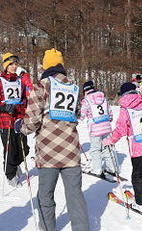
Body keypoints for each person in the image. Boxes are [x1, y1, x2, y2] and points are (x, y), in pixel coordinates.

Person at [16, 48, 89, 231]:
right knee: (75, 196)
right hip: (71, 151)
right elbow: (77, 114)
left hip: (48, 153)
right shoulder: (73, 88)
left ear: (45, 66)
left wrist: (21, 127)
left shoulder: (40, 86)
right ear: (62, 65)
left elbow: (32, 122)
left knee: (45, 196)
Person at [103, 82, 142, 217]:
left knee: (138, 175)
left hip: (137, 147)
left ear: (124, 94)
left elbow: (121, 129)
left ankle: (141, 204)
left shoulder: (125, 108)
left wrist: (111, 140)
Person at [0, 53, 29, 187]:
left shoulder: (20, 80)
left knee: (24, 149)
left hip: (19, 119)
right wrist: (4, 106)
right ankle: (10, 174)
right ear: (5, 66)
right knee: (10, 149)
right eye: (10, 64)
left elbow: (25, 98)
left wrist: (23, 109)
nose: (13, 66)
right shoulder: (1, 80)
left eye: (15, 64)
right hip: (5, 120)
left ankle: (15, 164)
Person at [80, 80, 115, 176]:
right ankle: (111, 168)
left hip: (95, 129)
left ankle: (97, 169)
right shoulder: (103, 98)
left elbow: (81, 115)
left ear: (85, 91)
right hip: (107, 127)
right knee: (107, 147)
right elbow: (110, 113)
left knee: (95, 149)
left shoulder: (86, 100)